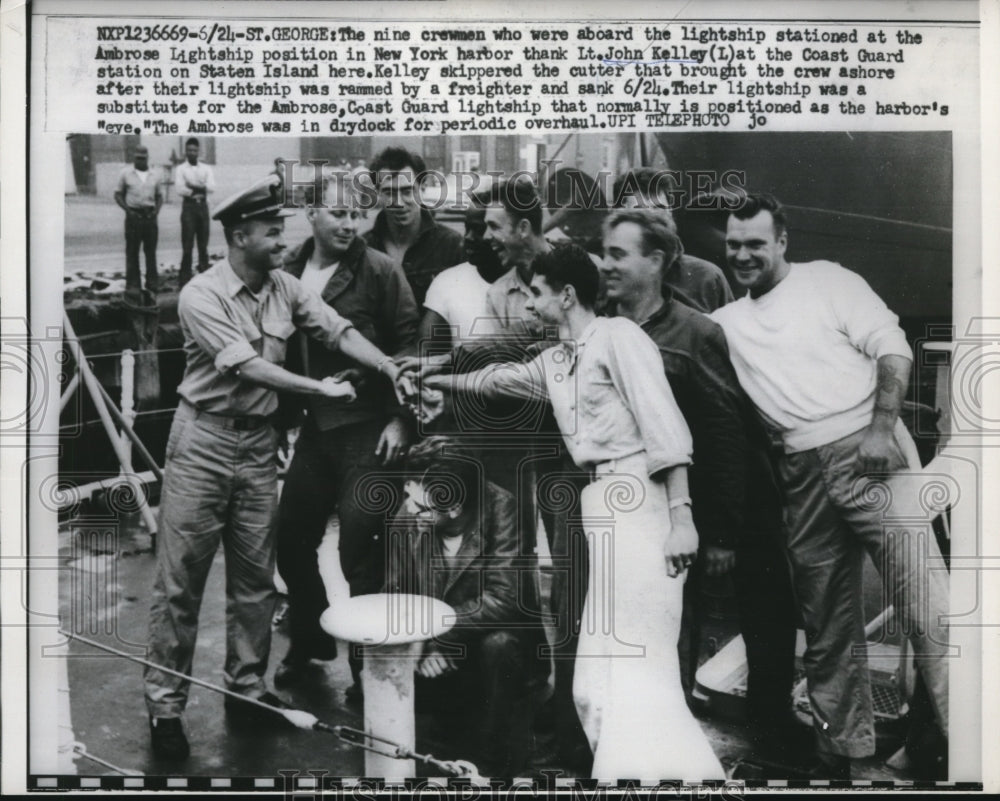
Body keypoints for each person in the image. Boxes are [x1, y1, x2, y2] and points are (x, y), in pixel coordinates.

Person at [420, 244, 724, 781]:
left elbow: (667, 430)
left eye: (537, 292)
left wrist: (682, 518)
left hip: (643, 502)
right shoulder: (557, 359)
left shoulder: (619, 337)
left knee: (639, 671)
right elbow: (492, 382)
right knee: (593, 683)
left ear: (566, 295)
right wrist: (435, 382)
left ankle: (664, 779)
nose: (529, 303)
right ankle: (623, 775)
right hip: (600, 502)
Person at [144, 175, 411, 761]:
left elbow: (337, 330)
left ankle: (247, 688)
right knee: (180, 582)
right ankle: (166, 705)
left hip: (259, 446)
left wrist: (388, 367)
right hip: (204, 443)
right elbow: (246, 368)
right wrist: (320, 388)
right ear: (240, 236)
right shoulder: (200, 295)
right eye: (271, 230)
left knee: (255, 581)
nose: (281, 237)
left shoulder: (283, 286)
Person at [710, 193, 950, 778]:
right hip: (801, 472)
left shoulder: (829, 281)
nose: (743, 256)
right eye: (734, 245)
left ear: (783, 241)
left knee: (932, 610)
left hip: (870, 450)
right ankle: (846, 757)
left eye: (756, 244)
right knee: (827, 625)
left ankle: (971, 741)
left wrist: (881, 429)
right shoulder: (724, 324)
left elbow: (893, 347)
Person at [599, 208, 802, 765]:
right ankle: (667, 735)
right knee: (667, 623)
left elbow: (725, 438)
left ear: (657, 261)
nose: (606, 264)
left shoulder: (695, 332)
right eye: (605, 252)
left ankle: (772, 734)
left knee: (763, 613)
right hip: (652, 507)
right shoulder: (603, 326)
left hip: (726, 506)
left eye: (618, 254)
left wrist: (722, 534)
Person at [275, 173, 419, 687]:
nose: (349, 223)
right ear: (311, 213)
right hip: (313, 429)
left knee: (360, 551)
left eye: (357, 214)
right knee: (290, 540)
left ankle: (368, 672)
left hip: (367, 429)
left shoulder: (378, 270)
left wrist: (403, 420)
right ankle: (311, 638)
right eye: (337, 212)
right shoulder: (286, 268)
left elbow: (410, 346)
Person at [384, 436, 549, 777]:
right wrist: (425, 642)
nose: (410, 510)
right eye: (408, 496)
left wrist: (442, 639)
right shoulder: (409, 513)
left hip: (483, 647)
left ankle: (491, 765)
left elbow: (503, 600)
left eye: (422, 506)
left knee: (500, 646)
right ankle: (439, 731)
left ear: (455, 506)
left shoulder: (504, 510)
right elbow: (395, 592)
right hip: (432, 649)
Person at [611, 167, 733, 313]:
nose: (652, 221)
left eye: (659, 210)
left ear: (671, 213)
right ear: (618, 218)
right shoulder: (606, 277)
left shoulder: (707, 278)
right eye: (640, 212)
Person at [363, 147, 464, 307]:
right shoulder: (363, 247)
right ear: (377, 193)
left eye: (407, 191)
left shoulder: (452, 245)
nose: (399, 203)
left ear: (423, 188)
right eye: (389, 192)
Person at [114, 145, 162, 295]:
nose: (139, 161)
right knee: (132, 252)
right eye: (137, 158)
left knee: (151, 252)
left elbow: (159, 196)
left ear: (147, 158)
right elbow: (118, 194)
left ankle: (152, 284)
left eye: (142, 158)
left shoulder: (155, 174)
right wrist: (128, 211)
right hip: (133, 216)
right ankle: (133, 285)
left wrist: (156, 212)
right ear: (134, 157)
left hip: (149, 217)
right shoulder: (125, 173)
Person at [174, 137, 216, 288]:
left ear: (199, 151)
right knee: (187, 245)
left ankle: (205, 279)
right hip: (189, 207)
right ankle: (184, 279)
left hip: (203, 207)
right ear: (185, 151)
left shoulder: (206, 168)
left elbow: (211, 187)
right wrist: (199, 188)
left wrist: (192, 185)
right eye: (189, 150)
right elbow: (180, 189)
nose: (192, 153)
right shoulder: (180, 169)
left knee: (203, 245)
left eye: (194, 150)